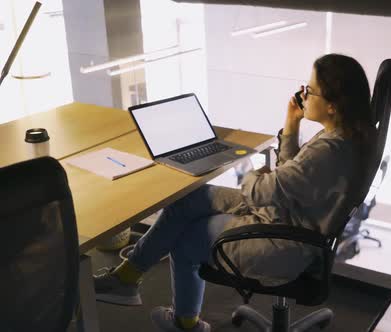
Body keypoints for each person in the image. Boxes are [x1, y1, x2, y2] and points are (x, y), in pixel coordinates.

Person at [93, 54, 375, 332]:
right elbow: (288, 179)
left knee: (186, 239)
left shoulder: (329, 150)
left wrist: (249, 170)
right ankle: (127, 278)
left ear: (333, 106)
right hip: (284, 213)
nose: (304, 94)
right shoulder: (343, 135)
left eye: (310, 90)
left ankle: (185, 324)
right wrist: (291, 124)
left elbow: (262, 190)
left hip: (284, 240)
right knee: (190, 199)